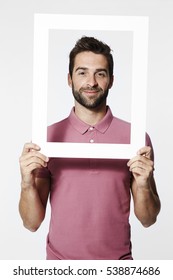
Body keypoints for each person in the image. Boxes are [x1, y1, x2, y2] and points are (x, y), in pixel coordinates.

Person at [19, 36, 160, 260]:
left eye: (100, 74)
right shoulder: (47, 138)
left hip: (118, 268)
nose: (91, 82)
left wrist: (143, 185)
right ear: (69, 79)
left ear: (111, 80)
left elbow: (148, 219)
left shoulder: (136, 138)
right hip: (60, 268)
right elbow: (31, 222)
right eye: (82, 72)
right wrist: (26, 182)